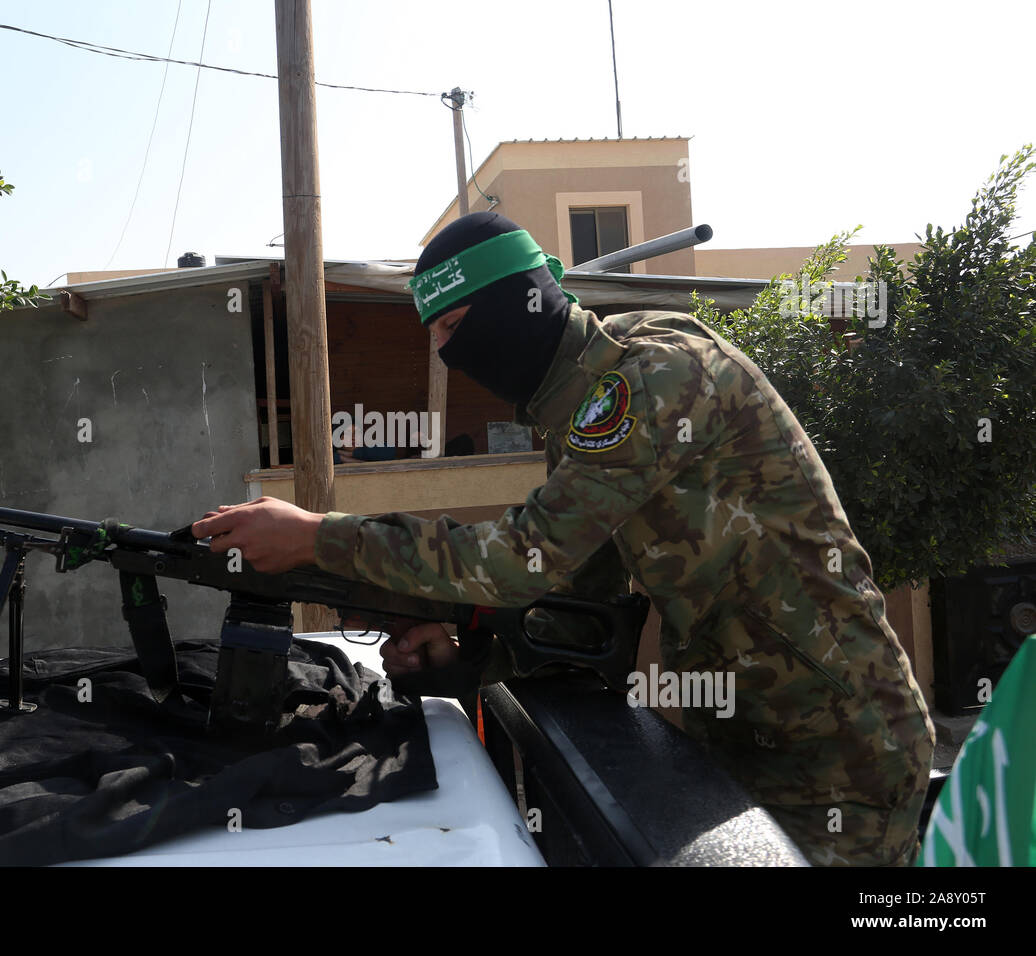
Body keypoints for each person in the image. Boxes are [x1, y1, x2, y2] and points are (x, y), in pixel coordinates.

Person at [191, 212, 935, 866]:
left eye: (454, 325)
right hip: (742, 738)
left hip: (840, 745)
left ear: (521, 298)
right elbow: (582, 600)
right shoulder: (579, 411)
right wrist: (471, 654)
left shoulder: (650, 375)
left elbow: (522, 560)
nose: (449, 352)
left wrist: (318, 537)